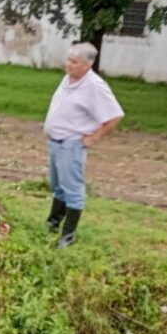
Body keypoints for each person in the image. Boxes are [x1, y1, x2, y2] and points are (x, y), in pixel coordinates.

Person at [43, 42, 124, 248]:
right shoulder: (68, 79)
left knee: (73, 189)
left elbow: (115, 115)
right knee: (57, 186)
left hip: (71, 145)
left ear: (87, 65)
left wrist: (94, 137)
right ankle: (52, 224)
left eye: (74, 62)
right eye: (68, 60)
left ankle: (67, 236)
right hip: (55, 142)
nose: (68, 65)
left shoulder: (94, 86)